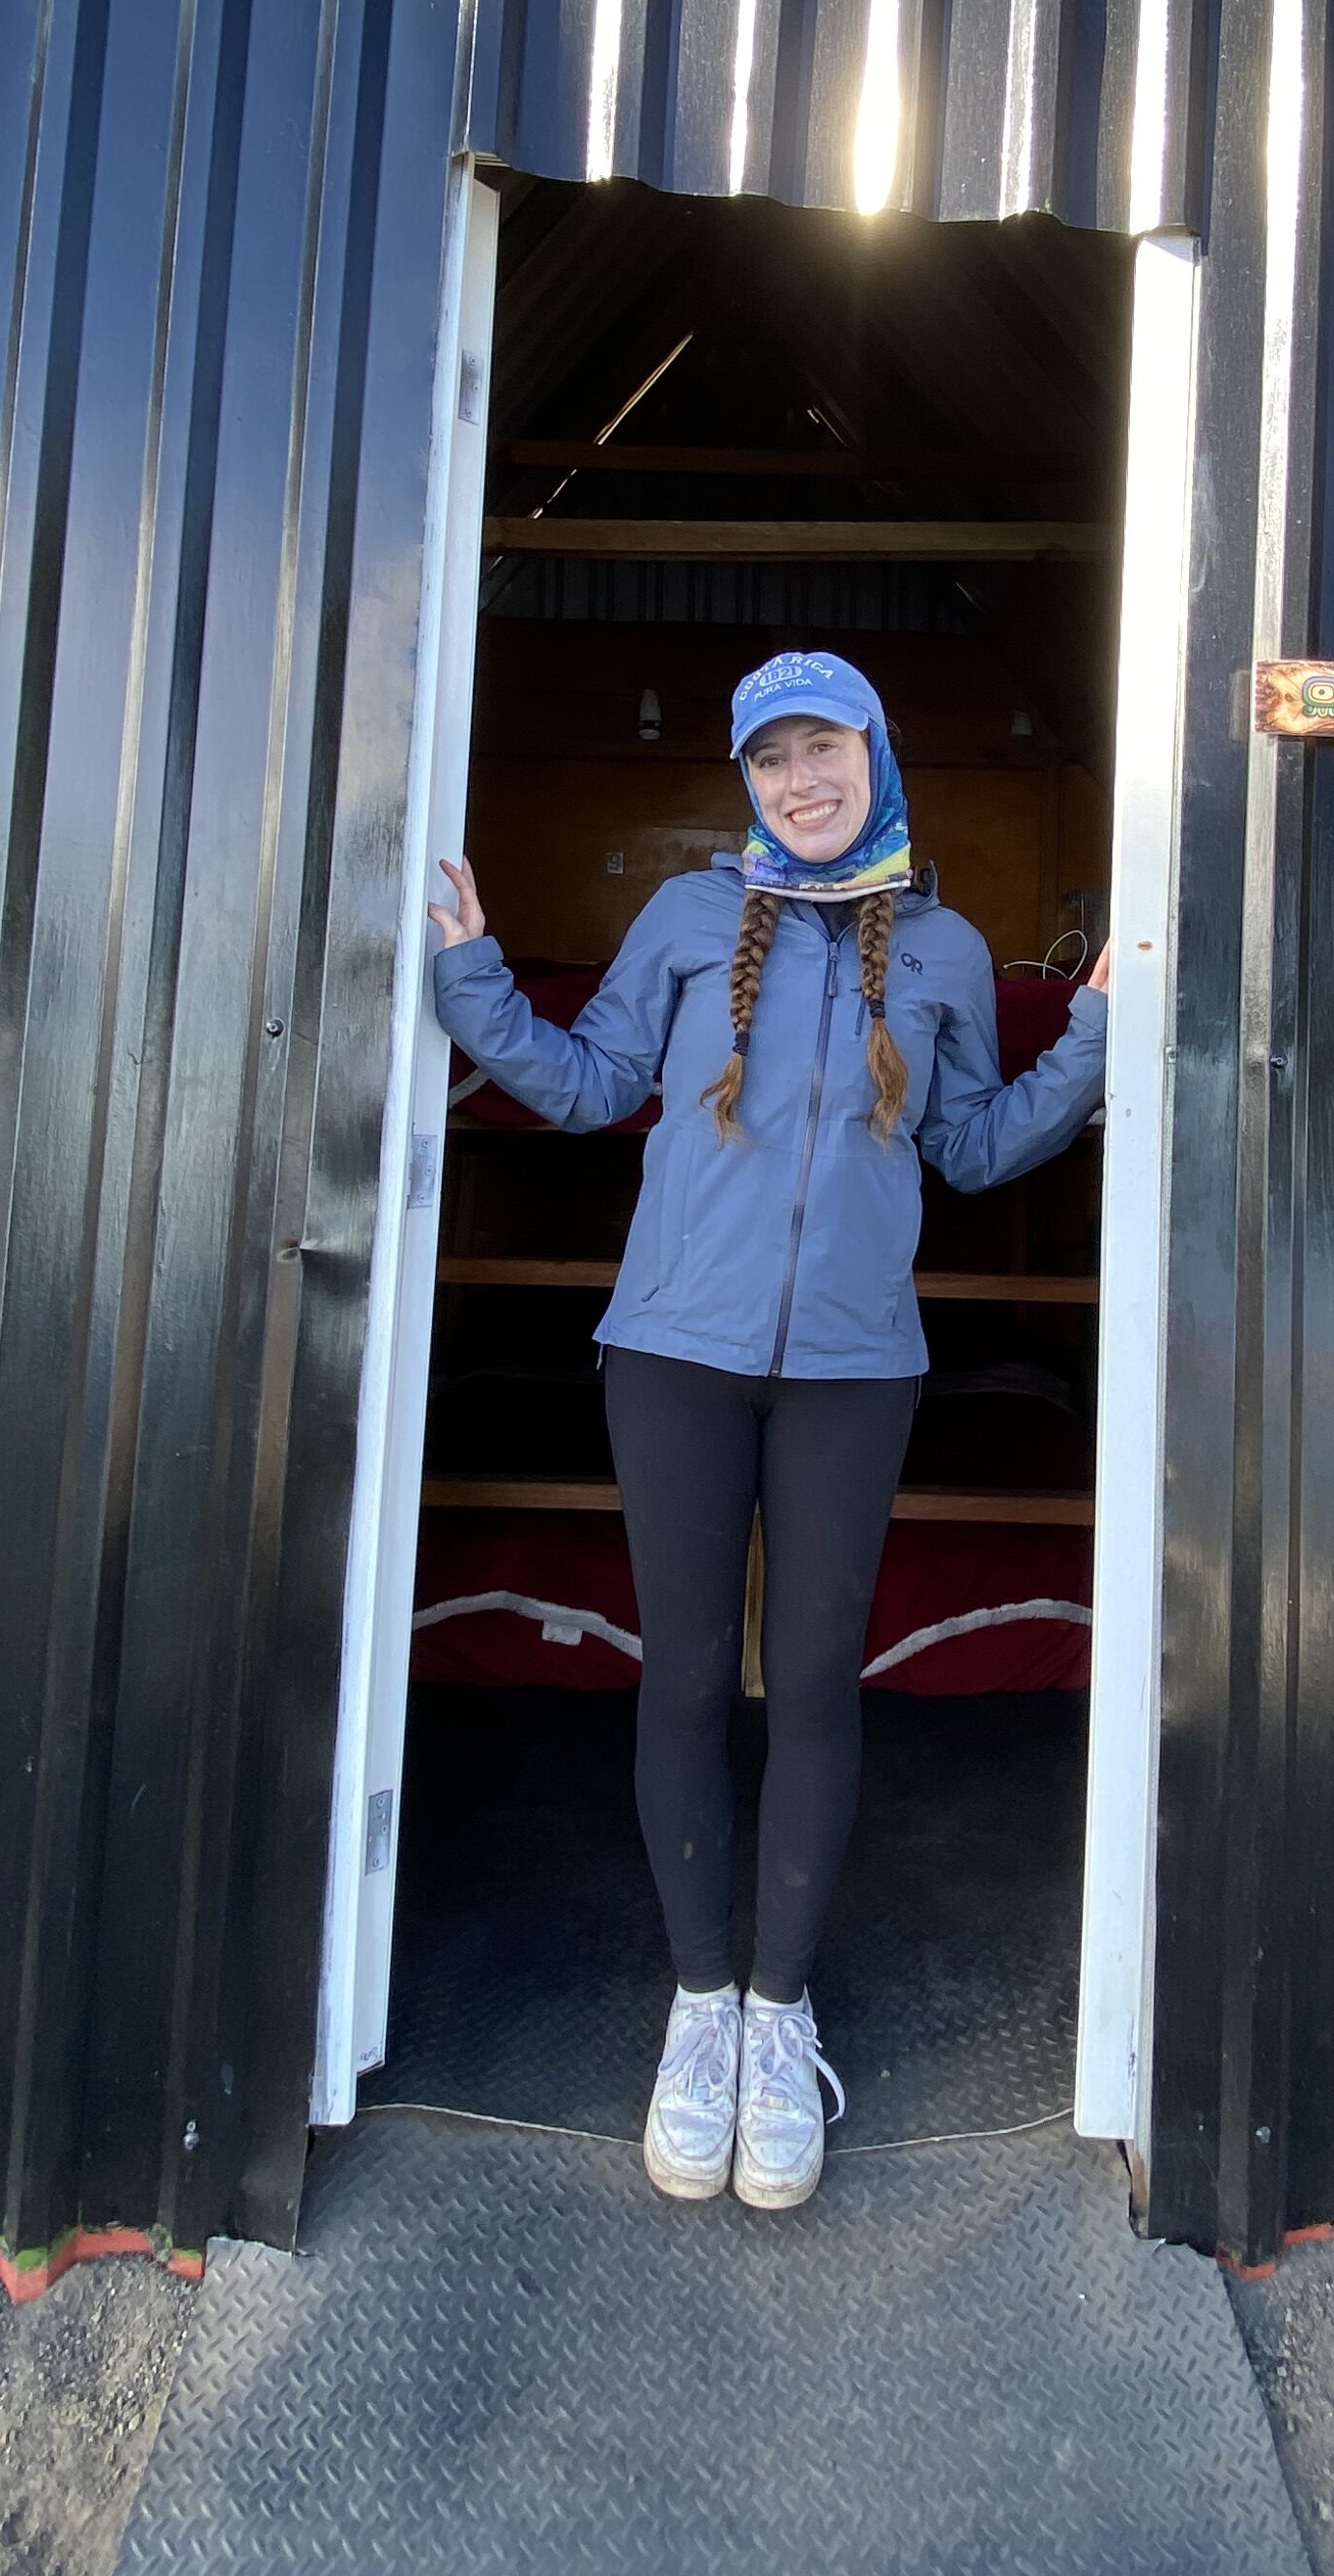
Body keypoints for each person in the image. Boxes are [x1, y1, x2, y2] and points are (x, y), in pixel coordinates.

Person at [428, 647, 1111, 2212]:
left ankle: (782, 2010)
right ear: (748, 783)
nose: (805, 782)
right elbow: (593, 1085)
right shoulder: (684, 922)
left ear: (879, 756)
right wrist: (471, 980)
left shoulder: (941, 949)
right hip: (671, 1351)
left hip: (857, 1370)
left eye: (829, 750)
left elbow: (979, 1145)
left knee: (810, 1684)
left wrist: (1088, 1036)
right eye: (774, 760)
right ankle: (699, 2013)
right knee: (681, 1679)